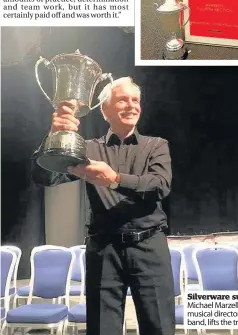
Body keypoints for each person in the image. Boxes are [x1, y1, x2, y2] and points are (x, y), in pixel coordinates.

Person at [32, 77, 174, 335]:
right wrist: (55, 135)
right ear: (105, 109)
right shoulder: (87, 149)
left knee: (160, 327)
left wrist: (115, 180)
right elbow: (45, 176)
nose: (132, 106)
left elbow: (160, 186)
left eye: (136, 100)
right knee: (102, 329)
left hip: (150, 248)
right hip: (104, 249)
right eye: (123, 100)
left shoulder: (156, 145)